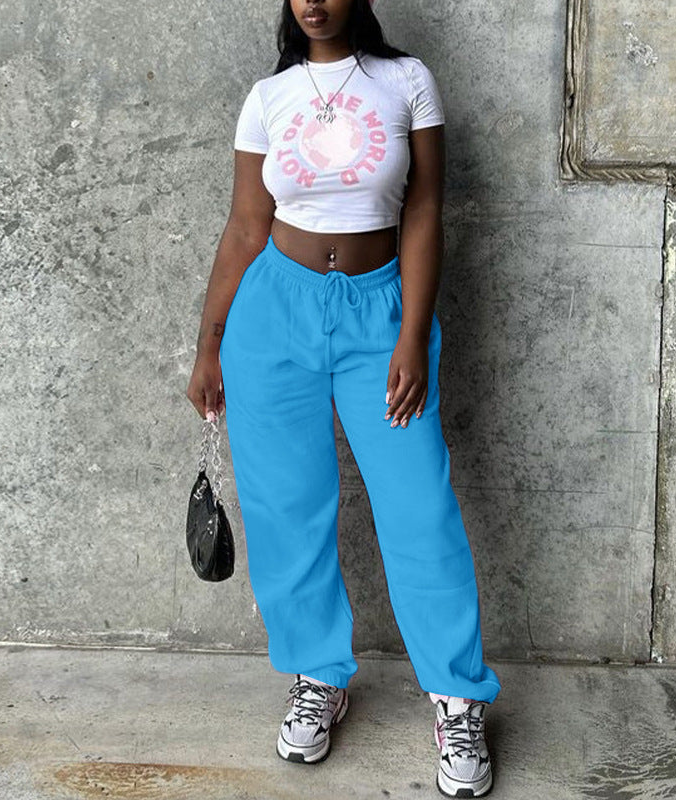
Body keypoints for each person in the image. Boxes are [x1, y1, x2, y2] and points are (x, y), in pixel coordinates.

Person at [186, 1, 501, 796]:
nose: (314, 1)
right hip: (273, 314)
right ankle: (318, 676)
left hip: (380, 312)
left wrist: (412, 335)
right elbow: (245, 226)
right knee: (286, 508)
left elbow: (424, 209)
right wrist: (209, 344)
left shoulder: (407, 81)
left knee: (419, 508)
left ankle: (458, 697)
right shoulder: (269, 97)